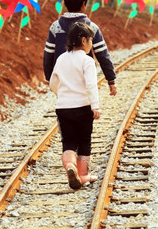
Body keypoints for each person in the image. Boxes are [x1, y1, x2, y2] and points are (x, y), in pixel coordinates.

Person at [49, 22, 101, 189]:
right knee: (84, 141)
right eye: (91, 41)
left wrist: (61, 96)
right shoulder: (87, 61)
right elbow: (91, 85)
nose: (91, 45)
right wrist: (95, 106)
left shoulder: (61, 58)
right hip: (83, 106)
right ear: (84, 40)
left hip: (63, 107)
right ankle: (83, 174)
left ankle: (70, 167)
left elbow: (53, 83)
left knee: (69, 141)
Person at [43, 0, 117, 97]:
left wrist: (50, 78)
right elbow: (103, 56)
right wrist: (111, 80)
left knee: (65, 107)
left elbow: (48, 55)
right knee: (84, 106)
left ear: (65, 3)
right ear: (83, 4)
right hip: (85, 78)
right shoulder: (91, 27)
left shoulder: (55, 27)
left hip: (62, 80)